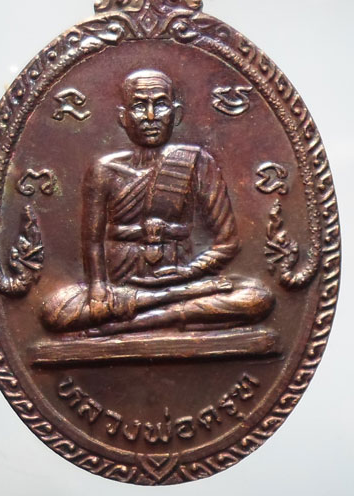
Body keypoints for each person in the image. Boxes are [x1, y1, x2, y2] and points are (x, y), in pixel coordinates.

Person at [42, 70, 274, 334]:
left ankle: (150, 318)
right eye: (140, 106)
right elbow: (92, 240)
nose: (151, 117)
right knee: (54, 311)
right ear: (123, 117)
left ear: (177, 114)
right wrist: (98, 288)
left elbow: (228, 243)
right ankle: (166, 306)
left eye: (161, 104)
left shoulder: (197, 161)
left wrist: (188, 273)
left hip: (184, 282)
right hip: (123, 289)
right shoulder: (104, 170)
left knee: (258, 297)